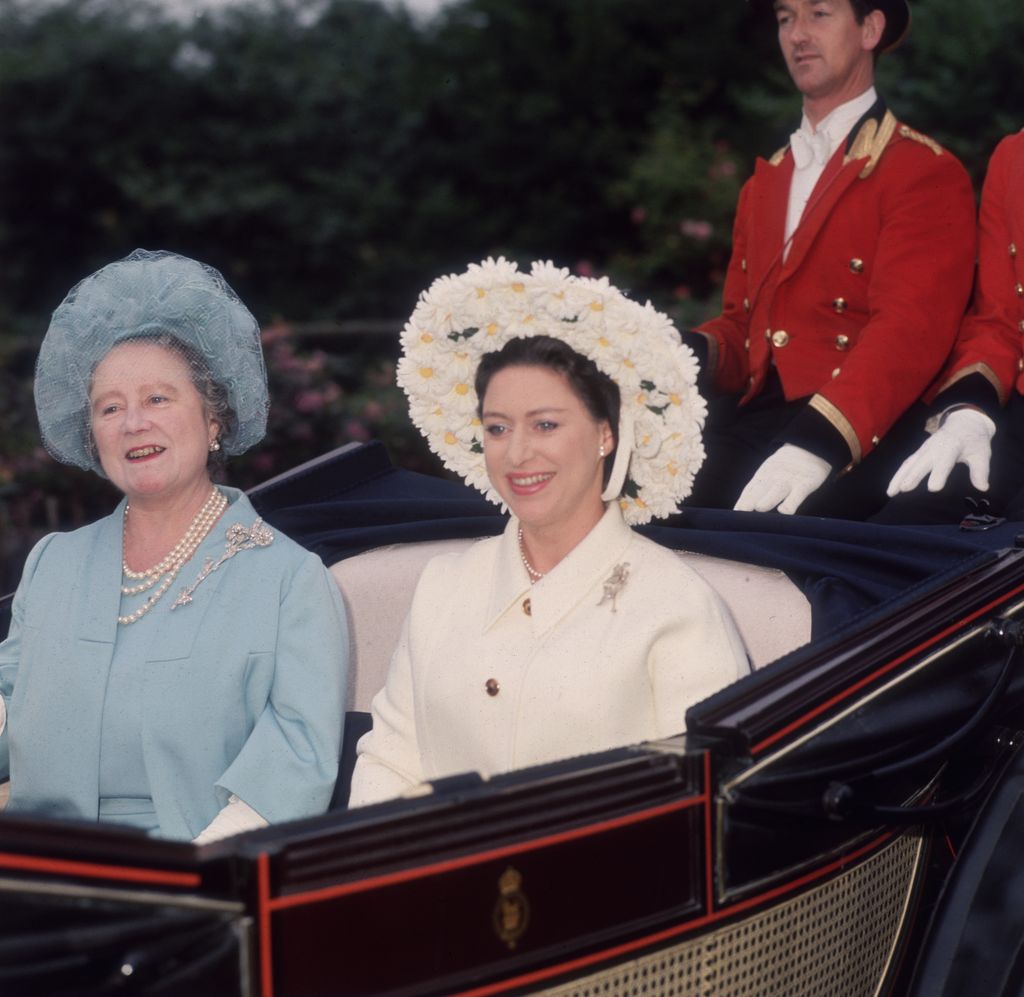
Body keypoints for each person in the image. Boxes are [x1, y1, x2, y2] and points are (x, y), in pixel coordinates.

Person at [348, 258, 749, 807]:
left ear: (607, 434)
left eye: (546, 425)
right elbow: (390, 761)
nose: (516, 454)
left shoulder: (677, 607)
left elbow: (705, 808)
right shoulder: (443, 584)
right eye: (496, 428)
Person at [0, 249, 347, 842]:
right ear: (93, 436)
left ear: (214, 420)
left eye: (159, 398)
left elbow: (295, 766)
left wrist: (191, 883)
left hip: (193, 885)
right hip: (38, 872)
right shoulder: (53, 564)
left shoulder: (291, 581)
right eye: (111, 407)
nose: (134, 422)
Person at [685, 0, 977, 518]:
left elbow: (908, 331)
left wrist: (820, 442)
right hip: (757, 421)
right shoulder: (763, 182)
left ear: (870, 28)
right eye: (784, 19)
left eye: (818, 14)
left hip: (864, 428)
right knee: (641, 517)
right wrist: (669, 351)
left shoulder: (921, 169)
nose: (797, 35)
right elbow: (744, 329)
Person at [882, 129, 1024, 523]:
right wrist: (968, 411)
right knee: (906, 527)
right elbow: (999, 320)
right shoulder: (1014, 155)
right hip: (1016, 416)